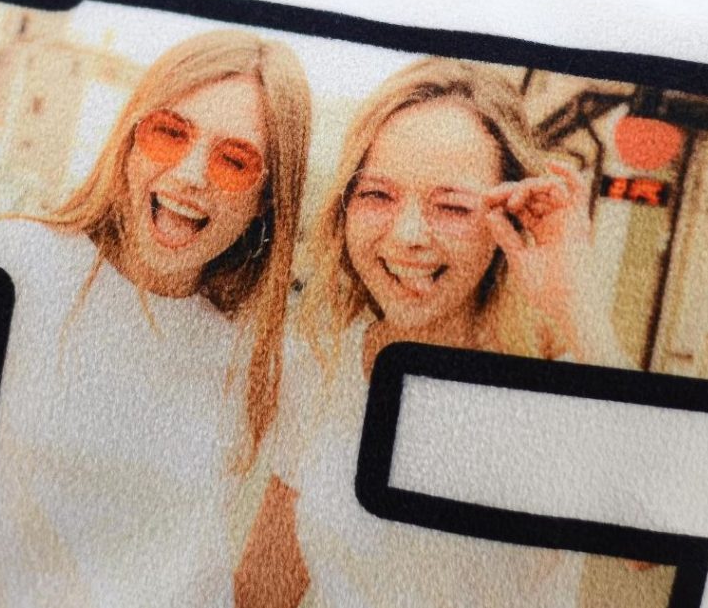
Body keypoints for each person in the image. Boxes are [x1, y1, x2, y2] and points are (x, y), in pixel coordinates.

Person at [235, 56, 631, 608]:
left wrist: (577, 307)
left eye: (452, 206)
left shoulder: (564, 384)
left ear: (509, 215)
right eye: (377, 195)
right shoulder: (325, 367)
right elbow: (263, 590)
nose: (409, 236)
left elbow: (659, 532)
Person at [0, 29, 311, 608]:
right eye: (170, 133)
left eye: (234, 161)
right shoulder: (15, 264)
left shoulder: (270, 361)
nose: (191, 174)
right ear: (130, 140)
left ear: (267, 197)